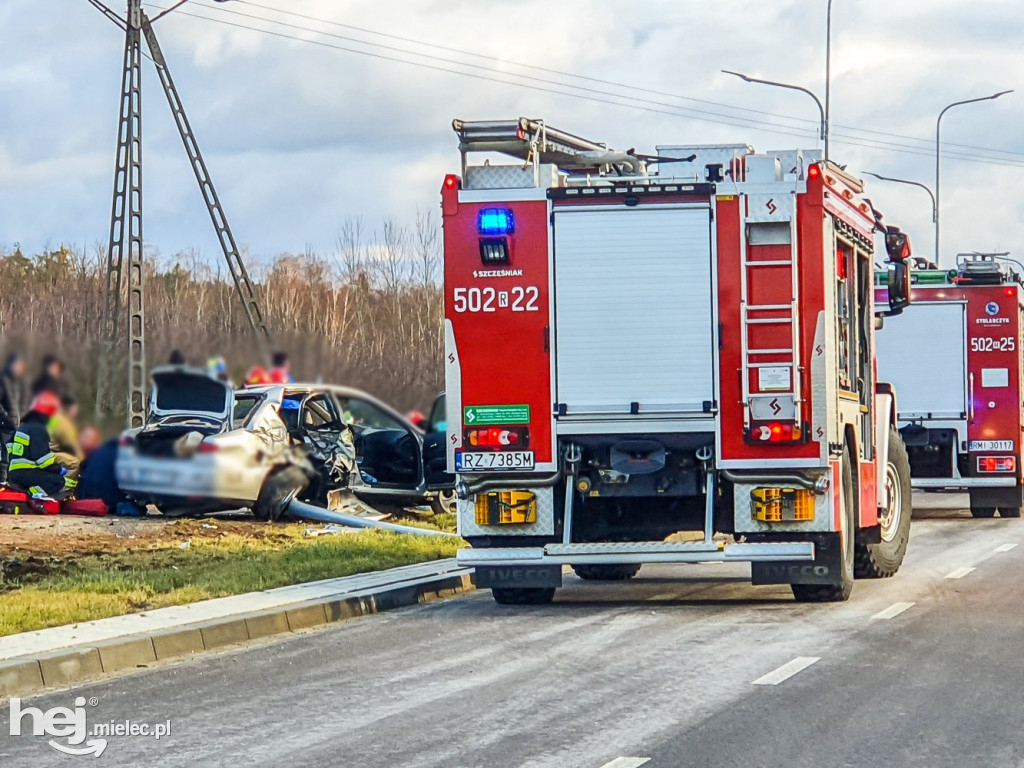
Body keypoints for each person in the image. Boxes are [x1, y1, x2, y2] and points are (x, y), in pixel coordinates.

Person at [6, 392, 68, 500]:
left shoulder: (23, 426)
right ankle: (33, 495)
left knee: (40, 476)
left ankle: (25, 491)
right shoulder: (39, 428)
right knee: (58, 481)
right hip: (27, 472)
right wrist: (58, 469)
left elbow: (9, 445)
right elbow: (43, 460)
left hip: (13, 474)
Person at [0, 353, 26, 485]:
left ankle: (10, 482)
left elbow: (20, 402)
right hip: (5, 426)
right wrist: (6, 417)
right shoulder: (3, 380)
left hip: (17, 425)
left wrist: (21, 415)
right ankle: (2, 482)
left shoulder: (17, 383)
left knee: (14, 456)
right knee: (4, 455)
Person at [49, 394, 84, 487]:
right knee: (74, 463)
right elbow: (71, 443)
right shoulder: (63, 422)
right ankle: (65, 489)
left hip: (51, 451)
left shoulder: (55, 418)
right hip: (52, 453)